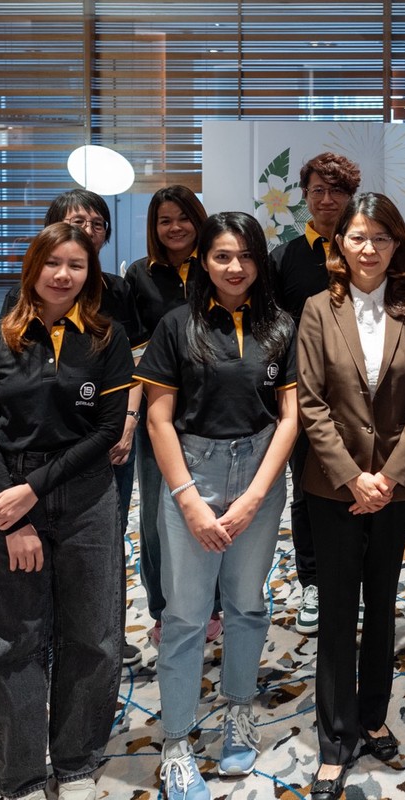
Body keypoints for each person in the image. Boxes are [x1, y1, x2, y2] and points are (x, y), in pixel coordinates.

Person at [0, 222, 135, 800]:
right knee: (13, 638)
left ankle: (77, 762)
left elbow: (107, 431)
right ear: (33, 267)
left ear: (90, 274)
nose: (63, 275)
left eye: (76, 265)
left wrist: (33, 491)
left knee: (93, 635)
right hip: (8, 494)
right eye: (53, 262)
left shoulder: (107, 338)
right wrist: (16, 514)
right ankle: (23, 774)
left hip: (87, 495)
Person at [136, 211, 299, 800]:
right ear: (203, 261)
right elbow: (158, 419)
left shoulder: (279, 326)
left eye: (247, 256)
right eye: (223, 256)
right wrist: (188, 500)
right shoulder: (176, 326)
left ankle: (238, 709)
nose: (236, 267)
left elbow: (290, 417)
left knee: (247, 604)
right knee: (184, 614)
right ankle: (177, 739)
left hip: (259, 473)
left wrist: (256, 495)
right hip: (193, 472)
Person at [297, 193, 405, 799]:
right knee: (337, 608)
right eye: (358, 237)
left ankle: (374, 715)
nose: (369, 249)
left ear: (396, 244)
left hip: (397, 489)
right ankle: (335, 737)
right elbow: (310, 403)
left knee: (383, 602)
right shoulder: (316, 309)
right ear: (340, 244)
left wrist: (389, 477)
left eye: (381, 238)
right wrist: (354, 477)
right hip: (334, 487)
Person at [0, 189, 144, 667]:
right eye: (77, 221)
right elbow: (12, 378)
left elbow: (135, 363)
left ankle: (103, 635)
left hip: (104, 438)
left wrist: (127, 424)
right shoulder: (21, 298)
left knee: (103, 542)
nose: (88, 230)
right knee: (39, 545)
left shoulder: (118, 290)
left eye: (97, 223)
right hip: (40, 448)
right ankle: (45, 636)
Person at [268, 151, 362, 636]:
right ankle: (313, 581)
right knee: (307, 490)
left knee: (359, 485)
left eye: (337, 191)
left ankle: (353, 579)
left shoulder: (364, 249)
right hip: (303, 395)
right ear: (304, 196)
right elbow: (270, 329)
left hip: (363, 395)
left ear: (351, 196)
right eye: (317, 191)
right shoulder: (284, 257)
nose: (327, 200)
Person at [123, 185, 218, 649]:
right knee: (159, 514)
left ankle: (213, 605)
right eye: (165, 220)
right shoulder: (139, 276)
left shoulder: (216, 265)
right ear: (154, 227)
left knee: (214, 506)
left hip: (214, 410)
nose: (175, 227)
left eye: (184, 217)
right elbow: (134, 349)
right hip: (157, 411)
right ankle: (163, 607)